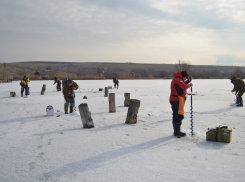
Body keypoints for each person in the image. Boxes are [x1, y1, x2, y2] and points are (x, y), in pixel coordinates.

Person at [169, 71, 193, 137]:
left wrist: (188, 81)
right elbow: (184, 86)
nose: (185, 79)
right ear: (182, 76)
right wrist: (190, 85)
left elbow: (182, 85)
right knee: (179, 115)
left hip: (174, 99)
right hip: (176, 100)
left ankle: (176, 130)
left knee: (175, 115)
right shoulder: (178, 80)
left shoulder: (177, 79)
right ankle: (177, 132)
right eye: (185, 78)